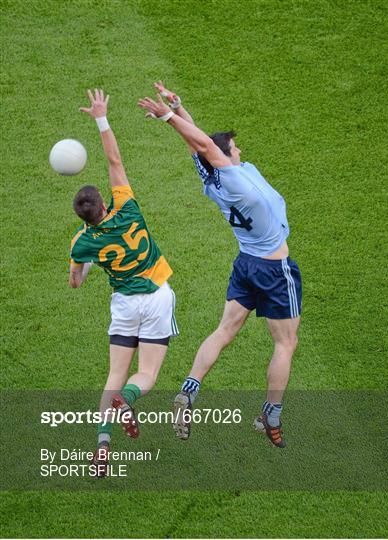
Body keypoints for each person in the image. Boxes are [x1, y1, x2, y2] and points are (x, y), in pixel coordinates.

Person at [138, 82, 301, 448]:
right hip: (276, 270)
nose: (239, 148)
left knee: (225, 331)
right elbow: (208, 147)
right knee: (285, 343)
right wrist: (168, 117)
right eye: (234, 147)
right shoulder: (235, 178)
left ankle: (189, 390)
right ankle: (271, 414)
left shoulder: (215, 182)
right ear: (225, 157)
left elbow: (200, 147)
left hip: (246, 264)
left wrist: (180, 110)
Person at [70, 89, 178, 475]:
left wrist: (77, 258)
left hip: (123, 305)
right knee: (144, 374)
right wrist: (100, 116)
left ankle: (102, 441)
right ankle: (129, 400)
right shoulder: (128, 207)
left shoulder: (82, 241)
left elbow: (76, 283)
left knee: (114, 374)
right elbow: (114, 159)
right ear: (104, 203)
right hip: (157, 298)